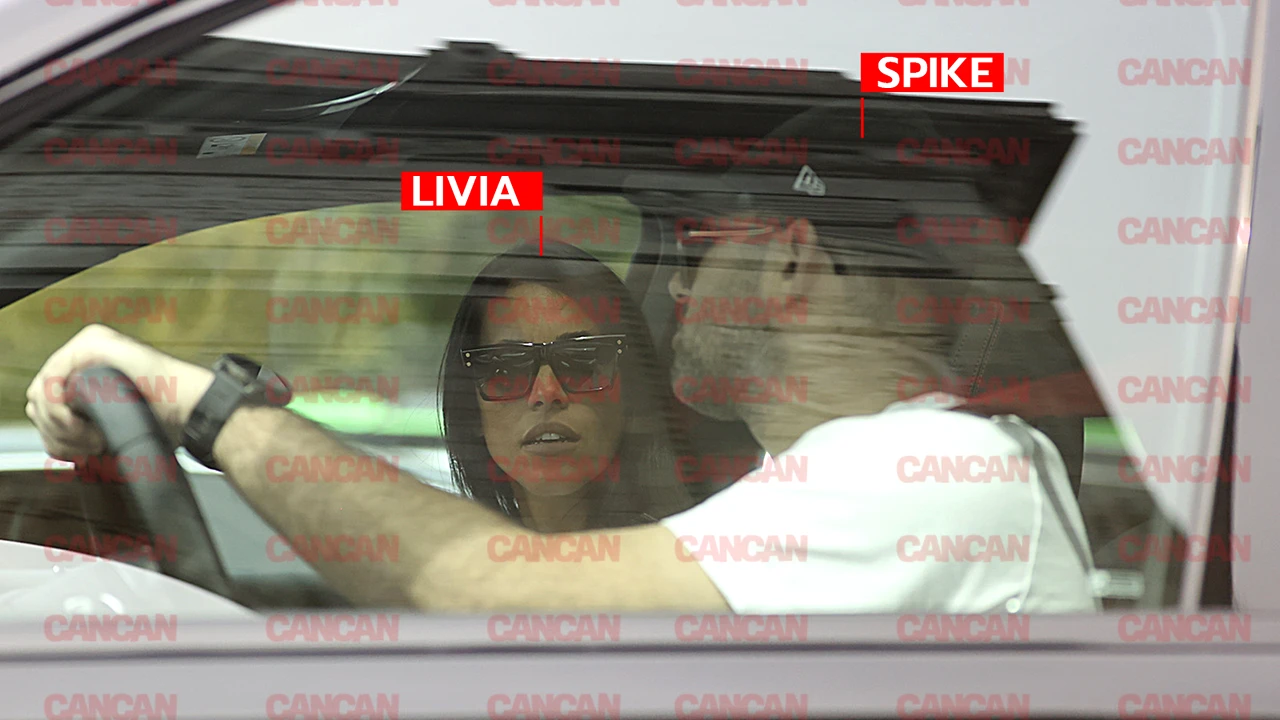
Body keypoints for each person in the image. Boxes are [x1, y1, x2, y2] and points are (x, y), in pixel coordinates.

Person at [25, 106, 1098, 614]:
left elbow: (497, 591)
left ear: (787, 263)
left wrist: (200, 403)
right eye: (506, 368)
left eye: (695, 253)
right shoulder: (838, 482)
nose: (675, 292)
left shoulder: (932, 472)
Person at [439, 239, 694, 532]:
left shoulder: (684, 550)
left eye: (581, 361)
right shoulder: (450, 555)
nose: (546, 393)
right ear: (471, 410)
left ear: (631, 395)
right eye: (506, 368)